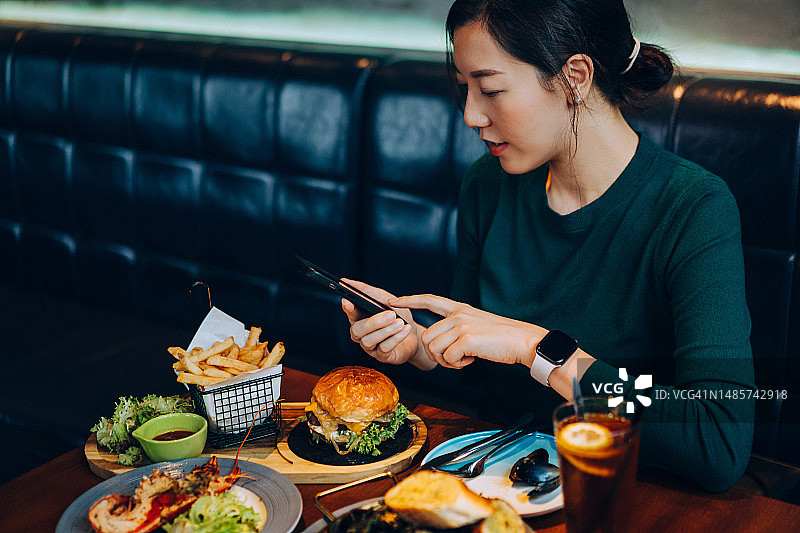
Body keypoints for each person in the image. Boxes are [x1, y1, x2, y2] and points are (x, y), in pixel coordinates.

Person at [341, 0, 754, 493]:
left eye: (491, 89)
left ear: (575, 76)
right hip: (491, 488)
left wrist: (540, 350)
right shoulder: (489, 185)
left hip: (619, 499)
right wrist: (419, 348)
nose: (471, 115)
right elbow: (483, 377)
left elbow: (716, 441)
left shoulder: (692, 208)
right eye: (464, 89)